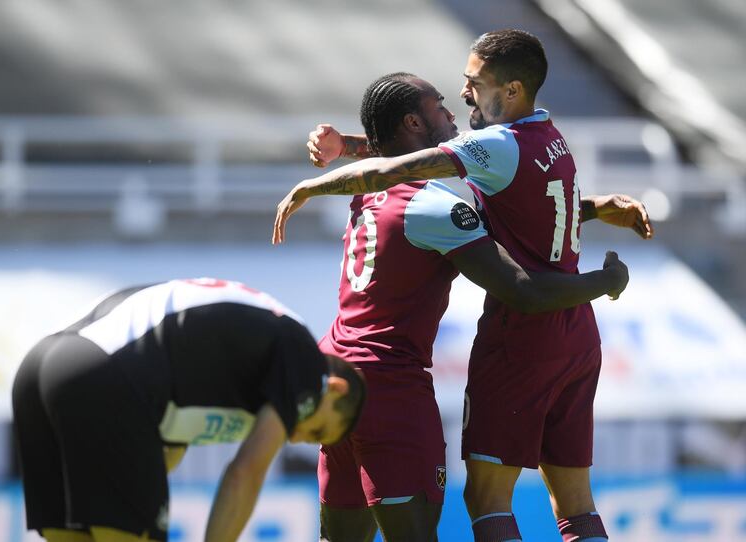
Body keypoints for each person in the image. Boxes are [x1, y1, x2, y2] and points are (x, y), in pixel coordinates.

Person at [274, 30, 654, 542]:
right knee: (573, 504)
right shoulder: (543, 139)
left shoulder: (385, 198)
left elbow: (401, 165)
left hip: (353, 369)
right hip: (537, 343)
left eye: (472, 83)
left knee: (481, 500)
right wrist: (607, 277)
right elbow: (509, 243)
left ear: (512, 89)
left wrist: (330, 165)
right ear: (414, 123)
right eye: (442, 104)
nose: (460, 102)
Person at [11, 277, 365, 542]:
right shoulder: (307, 363)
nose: (295, 435)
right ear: (334, 389)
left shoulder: (239, 360)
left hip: (39, 369)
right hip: (105, 374)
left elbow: (161, 453)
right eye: (317, 429)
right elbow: (245, 473)